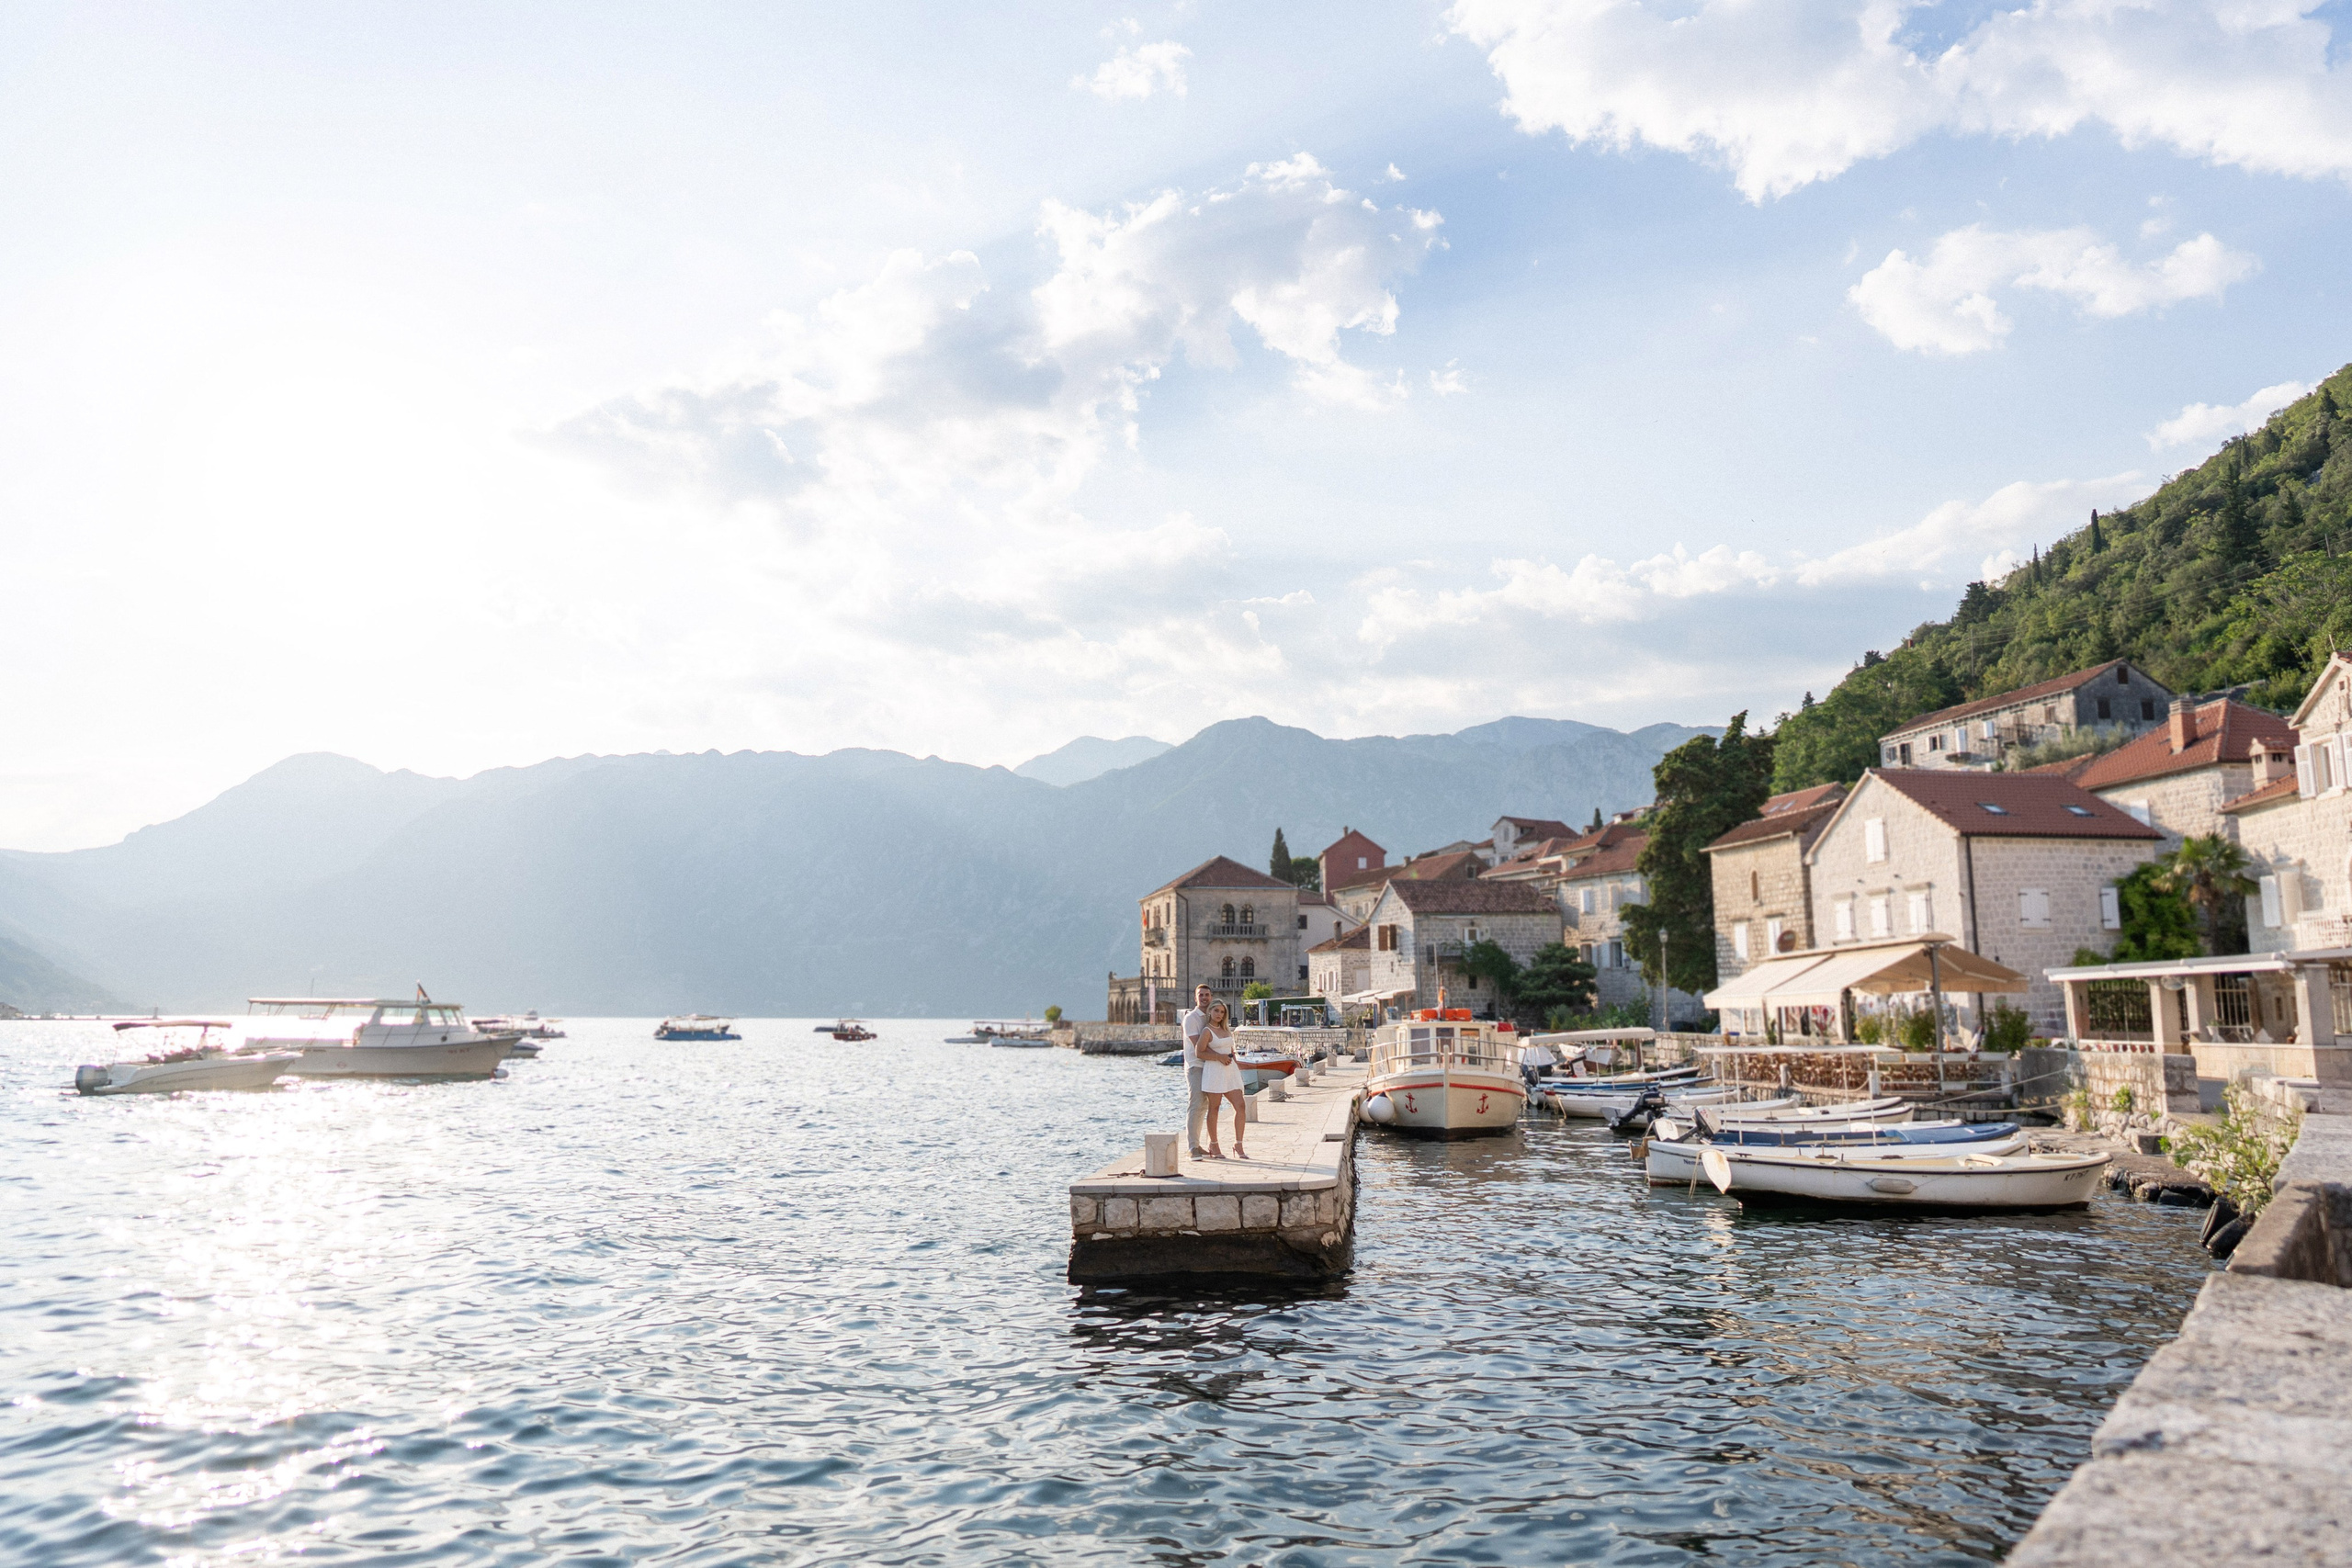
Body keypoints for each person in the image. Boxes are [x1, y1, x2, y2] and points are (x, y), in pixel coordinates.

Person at [1196, 1000, 1248, 1160]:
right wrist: (1218, 1057)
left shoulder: (1226, 1029)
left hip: (1230, 1071)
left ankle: (1238, 1144)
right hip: (1214, 1071)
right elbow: (1199, 1052)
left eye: (1222, 1012)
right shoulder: (1207, 1031)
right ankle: (1214, 1144)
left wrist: (1238, 1068)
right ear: (1210, 1011)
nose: (1219, 1014)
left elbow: (1231, 1050)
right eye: (1217, 1011)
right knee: (1215, 1108)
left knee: (1240, 1106)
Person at [1181, 984, 1213, 1157]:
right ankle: (1192, 1147)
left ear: (1211, 997)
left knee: (1204, 1106)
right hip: (1195, 1066)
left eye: (1207, 995)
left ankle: (1198, 1144)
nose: (1204, 998)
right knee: (1195, 1104)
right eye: (1201, 995)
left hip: (1209, 1066)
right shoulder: (1191, 1018)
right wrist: (1219, 1056)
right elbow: (1197, 1046)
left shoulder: (1211, 1016)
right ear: (1195, 998)